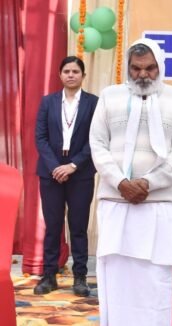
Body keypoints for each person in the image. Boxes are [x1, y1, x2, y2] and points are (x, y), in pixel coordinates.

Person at [89, 38, 172, 325]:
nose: (143, 75)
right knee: (116, 279)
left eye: (149, 68)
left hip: (158, 205)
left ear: (160, 66)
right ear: (128, 67)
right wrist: (121, 182)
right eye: (136, 68)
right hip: (116, 202)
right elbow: (97, 144)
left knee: (155, 281)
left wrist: (148, 183)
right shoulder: (109, 96)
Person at [33, 56, 99, 296]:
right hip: (51, 172)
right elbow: (40, 137)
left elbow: (97, 139)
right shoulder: (48, 102)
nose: (71, 75)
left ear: (83, 75)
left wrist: (73, 165)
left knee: (78, 227)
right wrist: (55, 167)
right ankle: (49, 275)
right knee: (53, 226)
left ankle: (80, 277)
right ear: (60, 75)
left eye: (75, 71)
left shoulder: (94, 103)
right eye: (66, 71)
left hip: (80, 172)